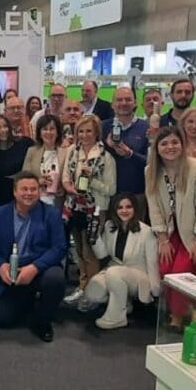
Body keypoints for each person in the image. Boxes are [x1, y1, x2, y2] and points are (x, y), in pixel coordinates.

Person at [0, 172, 67, 341]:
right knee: (0, 318)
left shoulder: (51, 214)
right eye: (24, 189)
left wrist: (35, 268)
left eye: (33, 189)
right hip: (8, 270)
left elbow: (59, 247)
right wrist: (0, 266)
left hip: (38, 268)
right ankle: (24, 301)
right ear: (14, 192)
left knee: (55, 278)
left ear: (39, 191)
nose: (29, 193)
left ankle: (43, 320)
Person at [146, 124, 196, 328]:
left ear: (182, 145)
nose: (170, 147)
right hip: (168, 232)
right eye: (164, 143)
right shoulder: (151, 171)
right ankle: (185, 307)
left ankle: (177, 316)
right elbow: (154, 207)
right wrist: (162, 240)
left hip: (193, 233)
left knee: (181, 272)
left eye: (175, 142)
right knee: (165, 267)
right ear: (157, 148)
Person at [62, 115, 117, 307]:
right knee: (78, 250)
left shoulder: (105, 157)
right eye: (81, 131)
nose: (84, 135)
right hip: (74, 206)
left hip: (95, 210)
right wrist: (69, 187)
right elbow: (66, 177)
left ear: (96, 133)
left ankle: (93, 292)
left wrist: (91, 180)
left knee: (90, 252)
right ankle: (82, 285)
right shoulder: (72, 152)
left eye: (89, 131)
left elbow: (111, 189)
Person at [84, 193, 160, 329]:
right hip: (113, 272)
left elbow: (152, 263)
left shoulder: (146, 231)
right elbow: (103, 255)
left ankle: (116, 318)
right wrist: (95, 238)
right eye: (120, 207)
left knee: (114, 273)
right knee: (93, 292)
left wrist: (155, 291)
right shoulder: (109, 226)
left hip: (138, 275)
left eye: (128, 207)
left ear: (135, 208)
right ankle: (123, 302)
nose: (124, 210)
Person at [102, 86, 150, 195]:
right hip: (106, 194)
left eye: (128, 99)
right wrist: (107, 145)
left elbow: (152, 162)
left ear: (135, 103)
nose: (124, 103)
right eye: (119, 100)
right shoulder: (102, 127)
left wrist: (130, 154)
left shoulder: (146, 128)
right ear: (112, 104)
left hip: (137, 194)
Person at [23, 115, 70, 206]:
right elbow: (24, 177)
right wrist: (39, 181)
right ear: (39, 133)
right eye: (45, 129)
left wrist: (62, 188)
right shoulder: (32, 151)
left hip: (59, 202)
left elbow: (68, 177)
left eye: (52, 129)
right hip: (35, 201)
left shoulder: (66, 152)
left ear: (57, 132)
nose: (48, 132)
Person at [0, 115, 33, 207]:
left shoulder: (25, 143)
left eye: (5, 126)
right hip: (3, 197)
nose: (3, 130)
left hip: (26, 193)